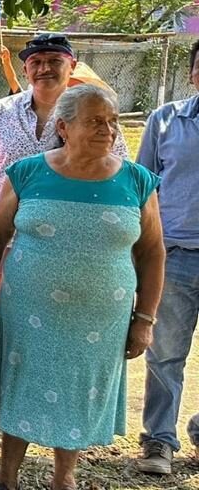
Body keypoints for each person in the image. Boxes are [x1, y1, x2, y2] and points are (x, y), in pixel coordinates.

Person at [0, 84, 165, 490]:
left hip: (100, 319)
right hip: (29, 311)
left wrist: (144, 317)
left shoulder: (137, 181)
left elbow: (152, 252)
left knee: (78, 389)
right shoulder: (27, 172)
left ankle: (65, 476)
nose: (107, 130)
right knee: (21, 383)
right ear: (63, 127)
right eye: (94, 121)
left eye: (111, 122)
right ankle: (7, 475)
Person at [0, 32, 130, 428]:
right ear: (25, 68)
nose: (44, 68)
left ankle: (27, 395)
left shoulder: (94, 117)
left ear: (71, 66)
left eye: (54, 60)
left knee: (42, 319)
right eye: (35, 61)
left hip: (58, 243)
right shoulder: (1, 111)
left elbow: (114, 174)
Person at [137, 41, 199, 474]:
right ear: (193, 72)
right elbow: (141, 190)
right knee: (165, 355)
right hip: (174, 256)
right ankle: (160, 441)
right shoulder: (165, 120)